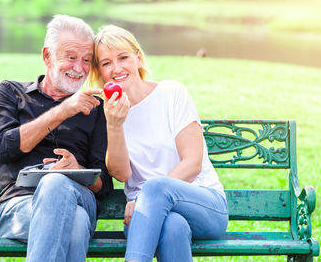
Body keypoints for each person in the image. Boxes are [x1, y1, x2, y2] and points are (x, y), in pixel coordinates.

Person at [89, 25, 228, 262]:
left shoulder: (171, 93)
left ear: (139, 58)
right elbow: (122, 174)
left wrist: (146, 200)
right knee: (172, 227)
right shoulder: (107, 112)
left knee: (154, 187)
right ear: (100, 71)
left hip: (203, 203)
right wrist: (114, 124)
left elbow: (192, 163)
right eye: (106, 63)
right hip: (146, 217)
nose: (117, 68)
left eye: (123, 57)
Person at [0, 15, 113, 262]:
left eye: (87, 60)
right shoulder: (11, 93)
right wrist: (64, 110)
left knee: (56, 184)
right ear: (47, 56)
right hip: (18, 206)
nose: (80, 68)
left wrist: (78, 170)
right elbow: (2, 149)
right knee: (74, 224)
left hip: (79, 198)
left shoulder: (96, 110)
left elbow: (104, 185)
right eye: (71, 57)